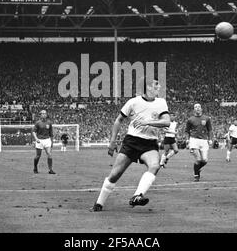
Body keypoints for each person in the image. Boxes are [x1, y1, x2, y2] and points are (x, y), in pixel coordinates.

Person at [90, 78, 170, 212]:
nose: (159, 86)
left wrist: (148, 122)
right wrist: (112, 141)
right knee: (115, 175)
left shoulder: (161, 102)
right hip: (132, 142)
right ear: (148, 87)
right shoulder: (133, 102)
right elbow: (118, 120)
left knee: (155, 166)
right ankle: (99, 203)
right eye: (156, 84)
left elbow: (166, 122)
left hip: (149, 143)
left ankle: (137, 196)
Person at [185, 103, 213, 182]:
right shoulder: (190, 119)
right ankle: (196, 175)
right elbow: (187, 131)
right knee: (198, 159)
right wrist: (187, 139)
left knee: (204, 160)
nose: (197, 108)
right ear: (194, 109)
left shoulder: (206, 118)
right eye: (195, 107)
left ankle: (197, 169)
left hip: (204, 141)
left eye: (199, 107)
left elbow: (210, 130)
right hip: (194, 140)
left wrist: (210, 139)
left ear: (201, 109)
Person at [32, 109, 55, 174]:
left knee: (49, 154)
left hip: (47, 140)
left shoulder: (49, 123)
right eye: (42, 113)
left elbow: (51, 133)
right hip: (40, 140)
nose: (44, 114)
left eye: (45, 113)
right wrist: (36, 139)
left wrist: (52, 142)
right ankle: (35, 167)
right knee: (38, 156)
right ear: (40, 115)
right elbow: (33, 131)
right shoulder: (38, 123)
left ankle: (50, 170)